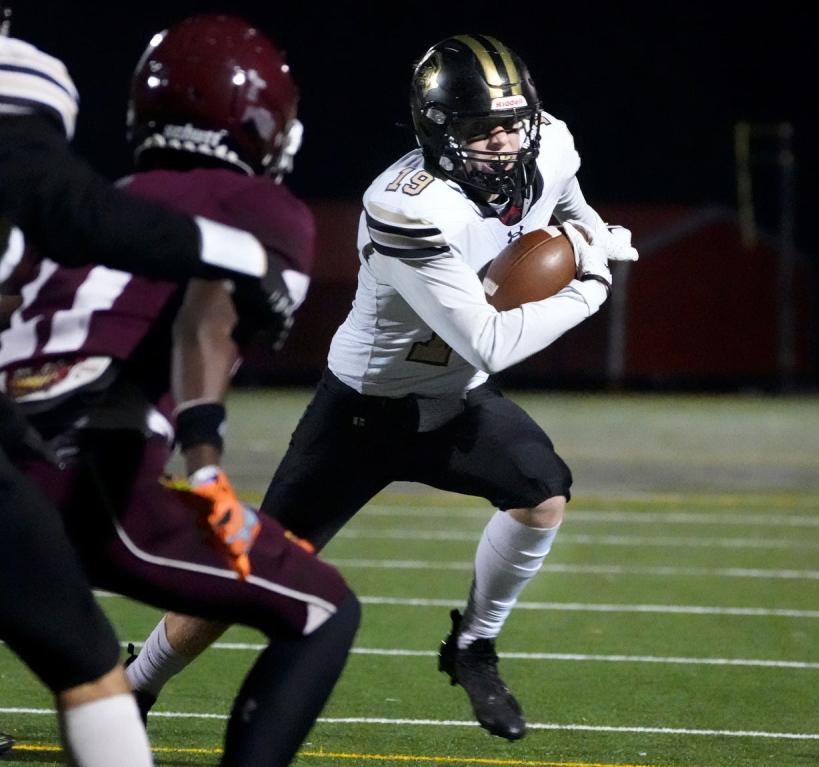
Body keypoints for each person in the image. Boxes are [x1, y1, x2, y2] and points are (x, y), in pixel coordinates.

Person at [127, 34, 638, 741]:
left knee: (541, 492)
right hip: (364, 411)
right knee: (251, 568)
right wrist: (591, 277)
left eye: (513, 123)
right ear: (438, 131)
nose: (505, 142)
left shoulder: (547, 142)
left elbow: (571, 203)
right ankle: (134, 683)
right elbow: (488, 338)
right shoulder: (408, 207)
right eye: (482, 129)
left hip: (456, 399)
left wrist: (583, 233)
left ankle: (472, 644)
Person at [0, 16, 360, 767]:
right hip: (84, 467)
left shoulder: (98, 202)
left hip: (9, 451)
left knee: (86, 669)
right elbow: (210, 309)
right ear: (262, 121)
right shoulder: (262, 209)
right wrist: (205, 458)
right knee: (324, 608)